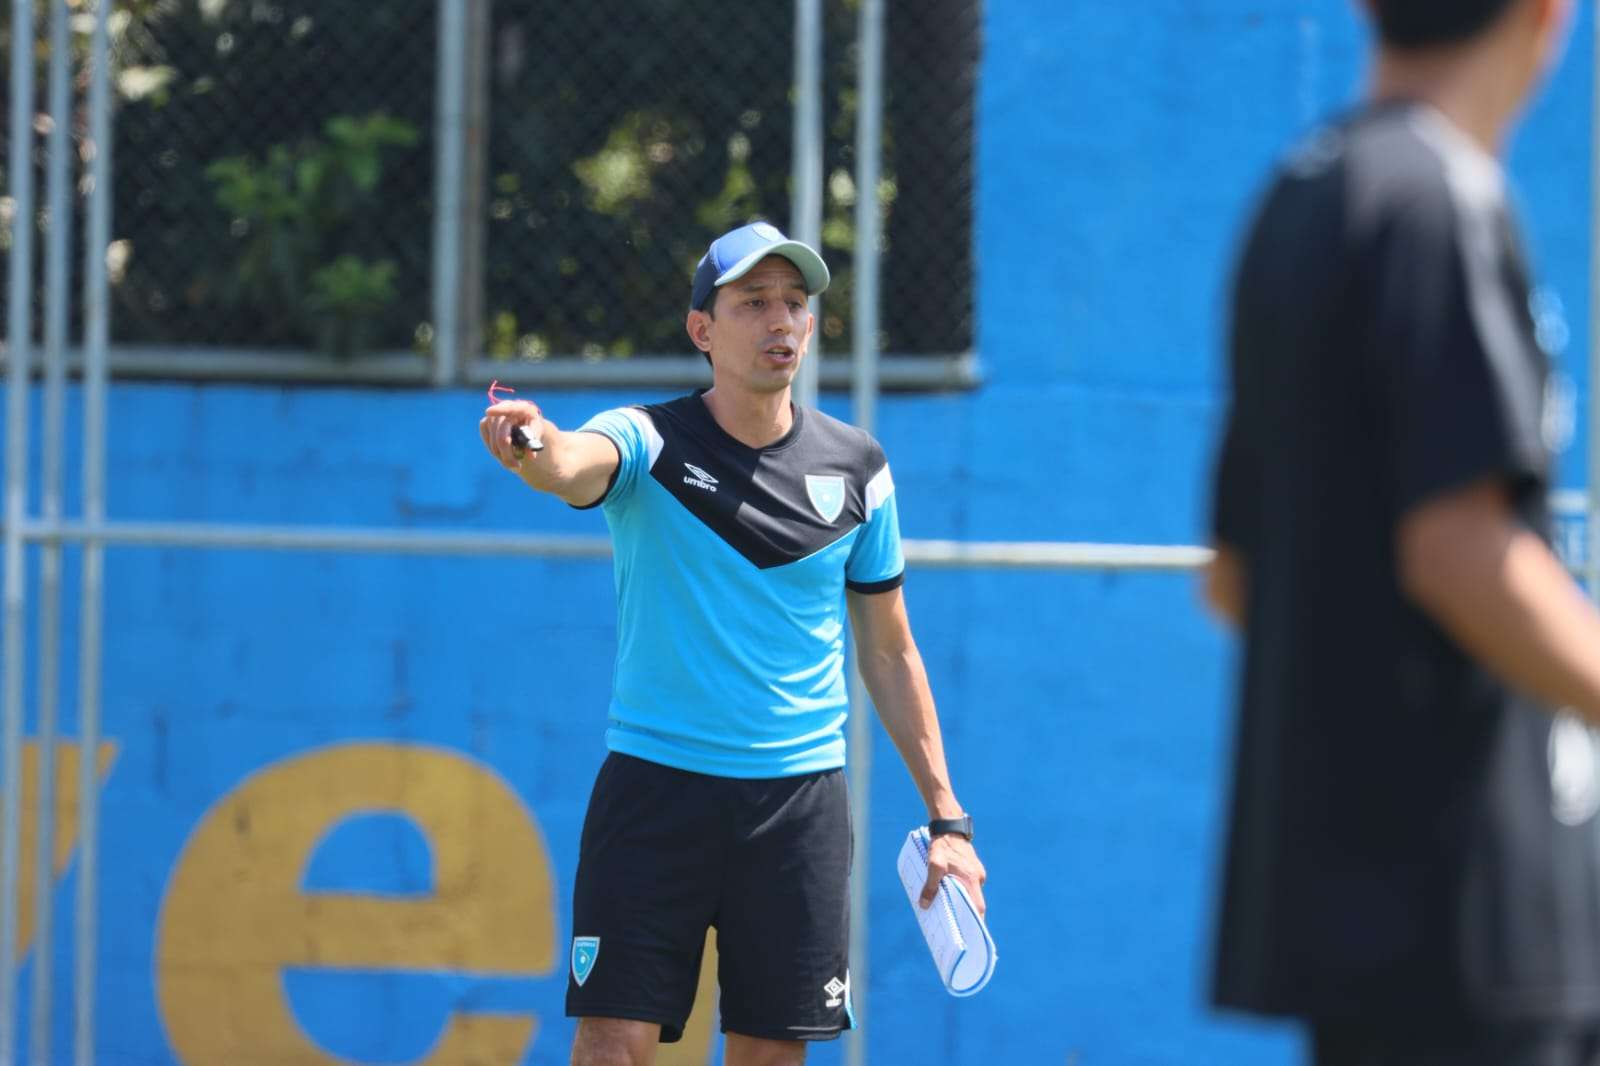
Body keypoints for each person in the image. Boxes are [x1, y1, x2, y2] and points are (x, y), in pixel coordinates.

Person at [479, 221, 986, 1066]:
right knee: (611, 1046)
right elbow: (569, 461)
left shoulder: (859, 469)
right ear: (702, 330)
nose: (780, 320)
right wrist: (530, 442)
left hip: (797, 808)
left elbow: (891, 652)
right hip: (655, 791)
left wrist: (948, 821)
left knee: (771, 1057)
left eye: (794, 302)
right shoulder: (647, 440)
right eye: (753, 303)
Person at [1202, 1, 1600, 1063]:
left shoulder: (1298, 198)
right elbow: (1458, 549)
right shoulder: (1440, 197)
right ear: (1546, 18)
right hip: (1476, 907)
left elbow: (1232, 576)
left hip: (1365, 915)